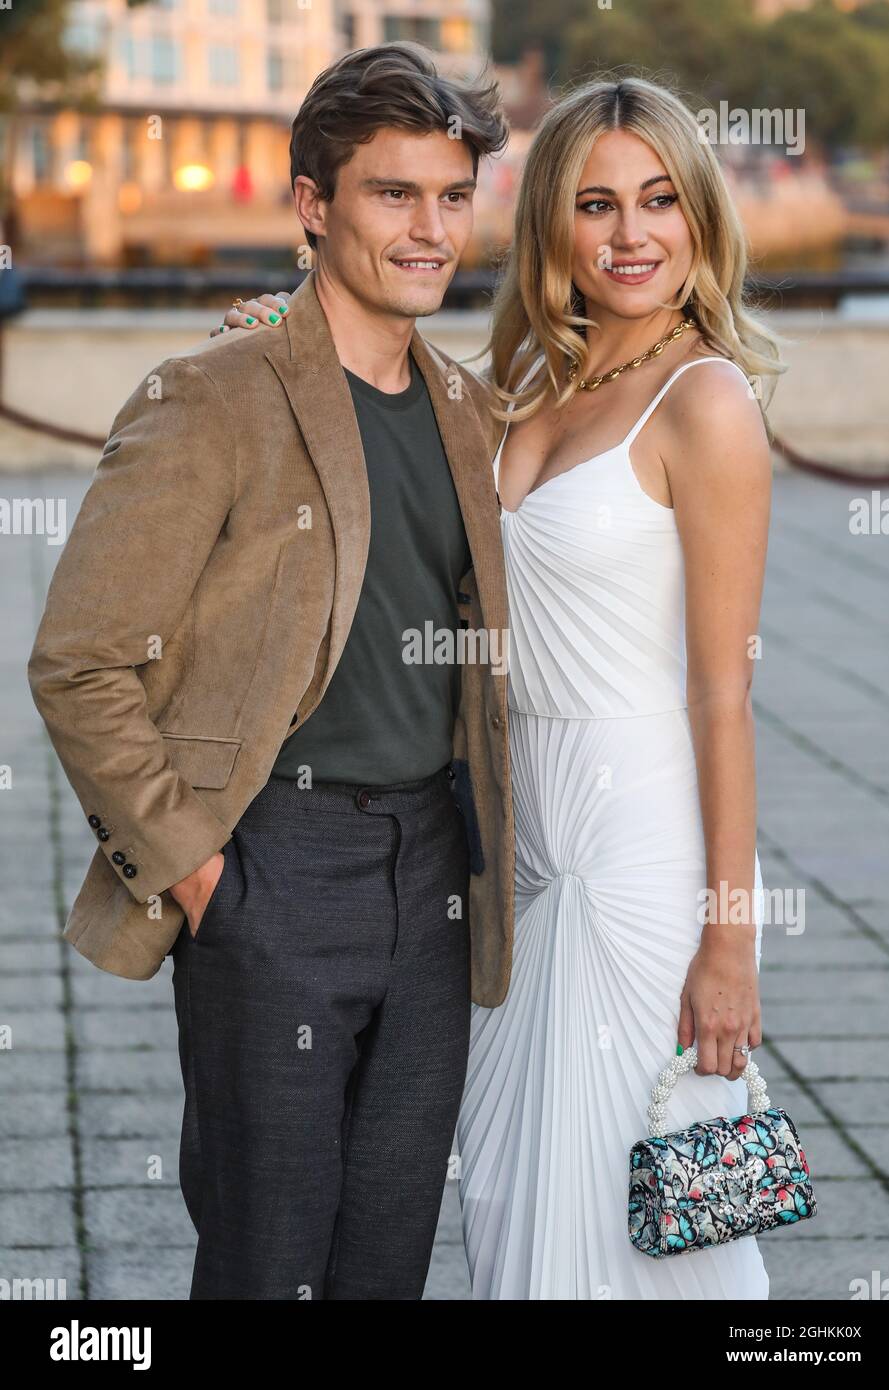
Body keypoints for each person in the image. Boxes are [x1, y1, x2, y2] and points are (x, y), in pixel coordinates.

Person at [223, 72, 785, 1299]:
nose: (628, 236)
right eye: (594, 204)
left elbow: (724, 696)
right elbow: (371, 395)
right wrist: (270, 333)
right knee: (514, 1204)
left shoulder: (707, 403)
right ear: (551, 229)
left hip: (630, 862)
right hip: (508, 867)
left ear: (697, 218)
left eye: (656, 202)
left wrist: (728, 939)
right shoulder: (530, 390)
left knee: (630, 1215)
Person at [27, 42, 513, 1300]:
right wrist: (199, 871)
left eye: (451, 197)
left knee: (387, 1258)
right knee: (269, 1260)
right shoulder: (213, 396)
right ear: (312, 205)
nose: (429, 229)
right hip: (271, 870)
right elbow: (78, 661)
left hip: (430, 871)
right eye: (392, 193)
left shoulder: (467, 409)